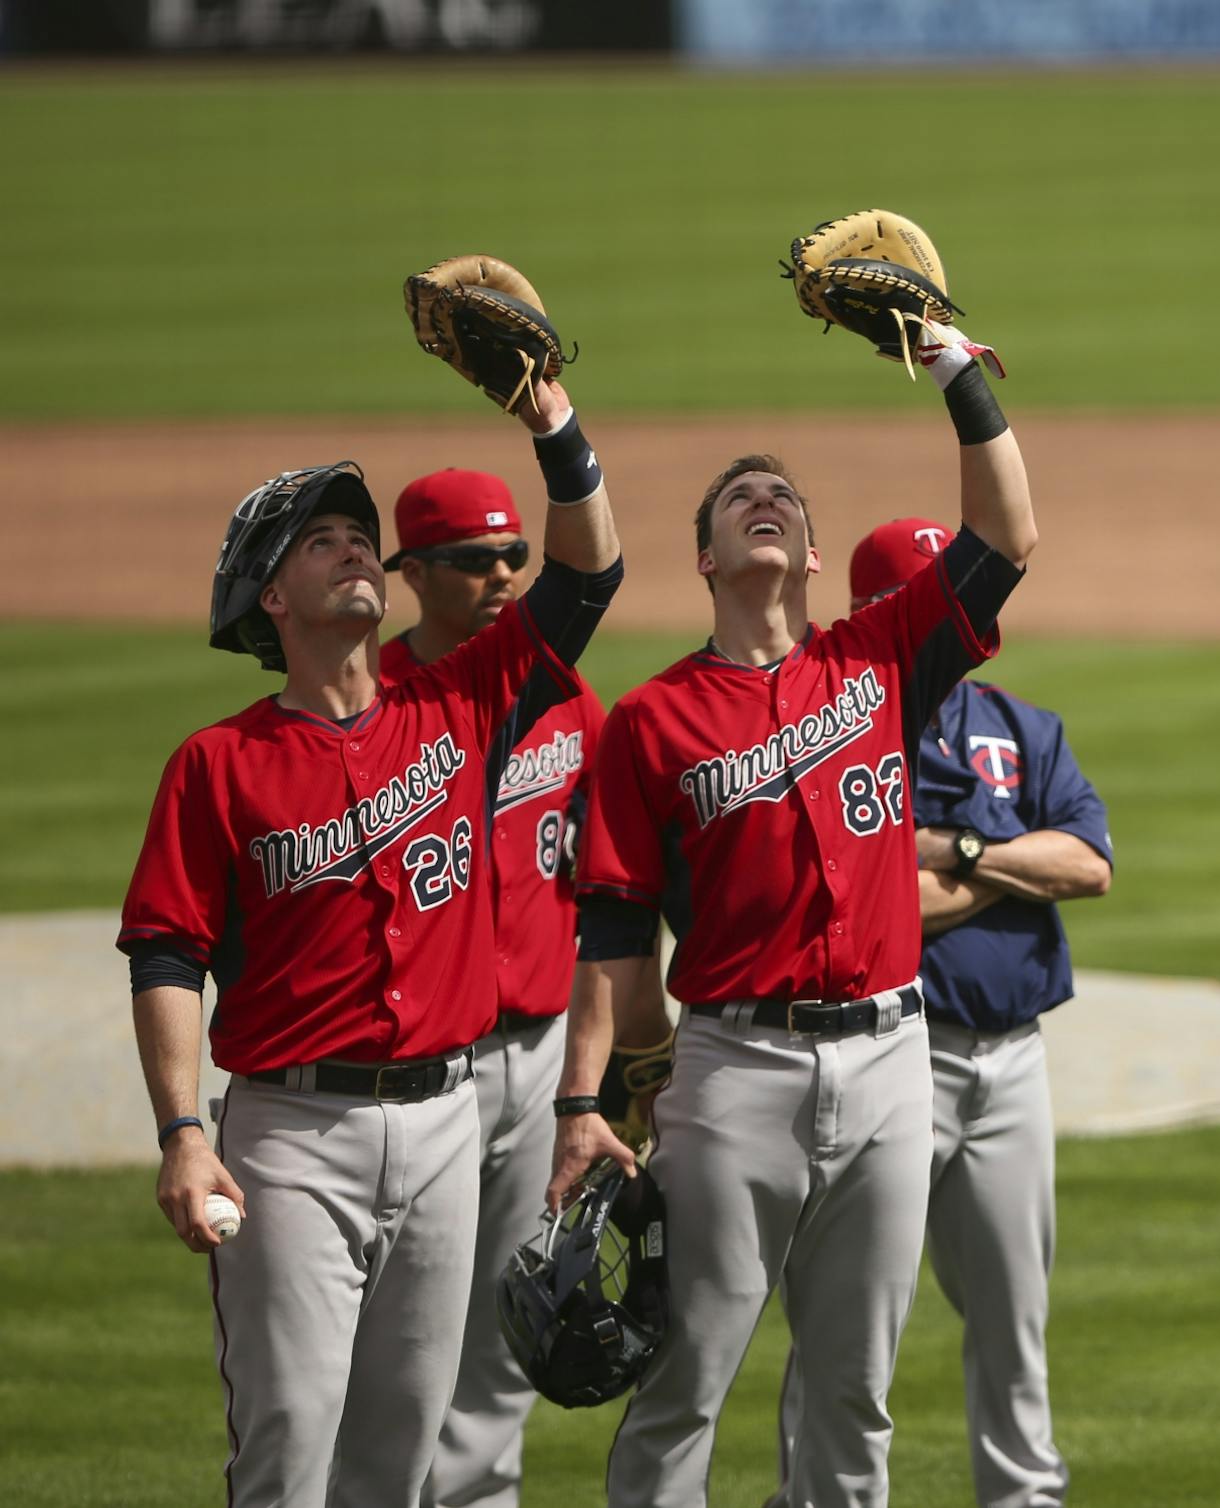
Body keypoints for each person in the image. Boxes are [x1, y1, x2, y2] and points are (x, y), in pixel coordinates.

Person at [549, 326, 1037, 1508]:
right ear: (706, 559)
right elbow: (614, 930)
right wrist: (601, 1091)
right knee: (685, 1374)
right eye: (739, 500)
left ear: (814, 557)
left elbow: (1006, 538)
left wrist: (955, 369)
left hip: (888, 1057)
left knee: (854, 1387)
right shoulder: (652, 721)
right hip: (735, 1066)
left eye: (783, 498)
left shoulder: (874, 659)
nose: (763, 502)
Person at [118, 378, 622, 1507]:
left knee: (403, 1445)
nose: (354, 551)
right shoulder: (218, 762)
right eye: (321, 542)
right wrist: (184, 1130)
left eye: (362, 537)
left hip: (449, 1119)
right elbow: (165, 952)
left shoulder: (461, 702)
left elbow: (589, 576)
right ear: (271, 595)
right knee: (291, 1439)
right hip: (295, 1133)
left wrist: (555, 425)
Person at [765, 518, 1113, 1508]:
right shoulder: (844, 729)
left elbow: (1089, 863)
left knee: (1015, 1311)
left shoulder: (1022, 724)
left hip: (1013, 1060)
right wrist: (1015, 864)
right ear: (879, 611)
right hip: (892, 1055)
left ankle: (1024, 1494)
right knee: (847, 1314)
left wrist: (954, 852)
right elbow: (883, 903)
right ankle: (809, 1491)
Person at [374, 468, 613, 1508]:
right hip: (429, 1062)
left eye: (514, 555)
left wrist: (604, 1068)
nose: (505, 576)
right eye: (475, 561)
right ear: (413, 574)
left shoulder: (567, 698)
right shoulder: (381, 705)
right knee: (393, 1342)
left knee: (499, 1344)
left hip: (545, 1051)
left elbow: (608, 892)